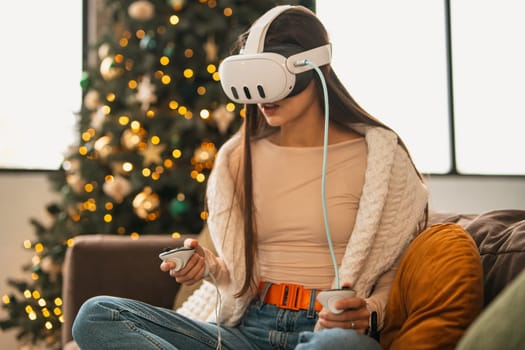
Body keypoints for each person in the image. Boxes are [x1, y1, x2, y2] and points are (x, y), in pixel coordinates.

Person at [72, 5, 428, 350]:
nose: (262, 98)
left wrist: (370, 312)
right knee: (97, 315)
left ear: (314, 66)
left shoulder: (380, 157)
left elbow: (396, 269)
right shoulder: (237, 158)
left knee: (341, 346)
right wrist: (209, 267)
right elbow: (239, 275)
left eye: (271, 80)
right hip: (248, 329)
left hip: (327, 332)